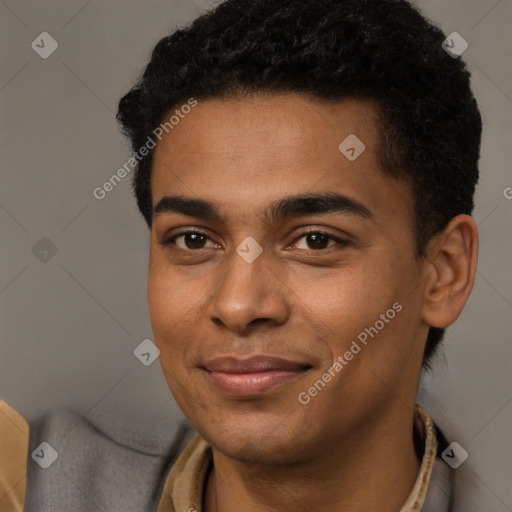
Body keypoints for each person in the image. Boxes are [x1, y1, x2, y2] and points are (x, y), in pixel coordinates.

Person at [0, 0, 481, 510]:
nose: (237, 305)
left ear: (443, 272)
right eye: (193, 240)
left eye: (315, 240)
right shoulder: (38, 482)